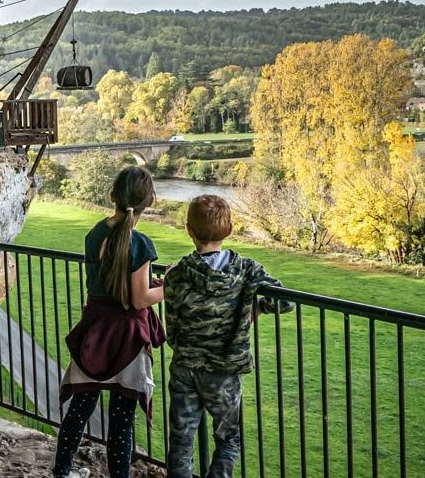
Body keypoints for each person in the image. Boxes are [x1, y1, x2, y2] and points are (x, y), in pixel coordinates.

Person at [163, 195, 293, 478]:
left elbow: (171, 331)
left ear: (189, 229)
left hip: (185, 368)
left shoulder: (177, 275)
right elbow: (285, 301)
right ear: (230, 230)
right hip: (223, 372)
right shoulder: (247, 270)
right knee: (228, 440)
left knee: (181, 443)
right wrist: (254, 307)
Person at [53, 166, 166, 478]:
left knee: (80, 408)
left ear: (113, 196)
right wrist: (167, 288)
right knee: (121, 421)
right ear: (150, 200)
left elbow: (111, 283)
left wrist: (145, 283)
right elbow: (139, 299)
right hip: (127, 340)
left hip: (96, 332)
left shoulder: (95, 234)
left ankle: (61, 471)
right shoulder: (139, 243)